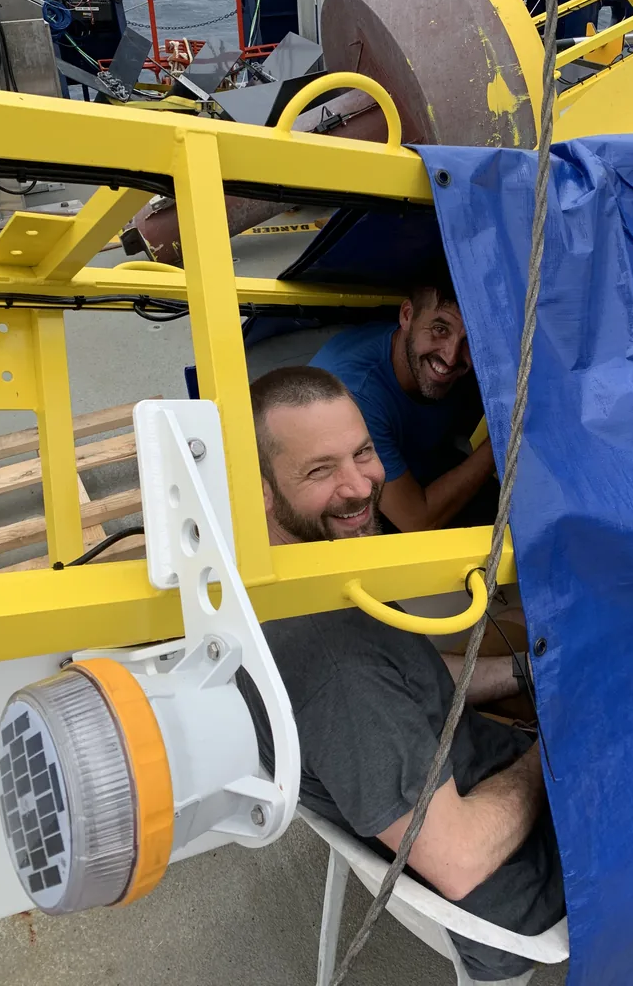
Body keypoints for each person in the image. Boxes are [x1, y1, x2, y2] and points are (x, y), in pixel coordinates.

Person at [242, 366, 565, 982]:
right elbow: (461, 859)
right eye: (319, 470)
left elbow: (411, 678)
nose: (359, 486)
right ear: (259, 489)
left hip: (445, 785)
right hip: (507, 893)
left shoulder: (293, 580)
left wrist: (527, 674)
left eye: (363, 452)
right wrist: (554, 748)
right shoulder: (337, 666)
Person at [309, 278, 497, 533]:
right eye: (440, 329)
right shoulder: (356, 398)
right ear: (407, 316)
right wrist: (504, 439)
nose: (451, 356)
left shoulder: (440, 358)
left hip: (419, 463)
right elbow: (417, 520)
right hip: (346, 512)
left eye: (471, 339)